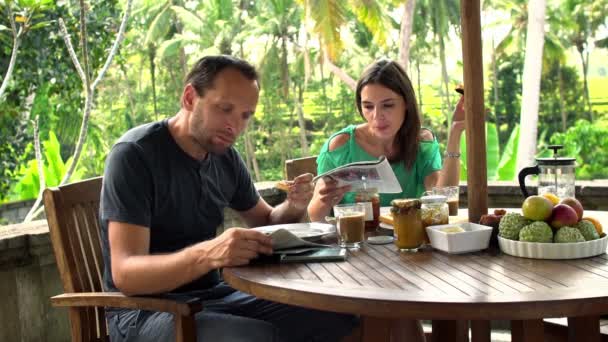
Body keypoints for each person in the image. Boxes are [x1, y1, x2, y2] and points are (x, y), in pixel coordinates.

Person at [100, 55, 356, 342]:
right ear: (189, 98)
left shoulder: (224, 158)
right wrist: (209, 253)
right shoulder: (135, 155)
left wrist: (294, 205)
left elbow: (267, 221)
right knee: (251, 336)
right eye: (225, 109)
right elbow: (126, 273)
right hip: (142, 311)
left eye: (245, 115)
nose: (235, 126)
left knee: (337, 315)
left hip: (213, 296)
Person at [308, 59, 465, 222]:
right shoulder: (341, 146)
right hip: (356, 242)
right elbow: (314, 216)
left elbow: (442, 199)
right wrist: (326, 201)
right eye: (368, 106)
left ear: (406, 103)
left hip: (409, 242)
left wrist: (455, 132)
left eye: (387, 105)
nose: (377, 116)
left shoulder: (422, 143)